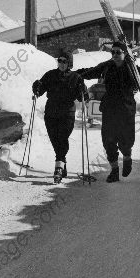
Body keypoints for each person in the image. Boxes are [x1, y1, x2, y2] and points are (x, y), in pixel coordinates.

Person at [76, 41, 140, 182]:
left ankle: (127, 157)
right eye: (113, 52)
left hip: (126, 109)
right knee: (108, 141)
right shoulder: (107, 66)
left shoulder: (132, 69)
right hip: (109, 109)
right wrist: (75, 75)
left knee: (126, 141)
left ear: (125, 53)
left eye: (118, 52)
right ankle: (114, 170)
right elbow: (90, 71)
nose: (115, 55)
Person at [32, 50, 87, 184]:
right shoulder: (50, 75)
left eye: (65, 61)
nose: (61, 64)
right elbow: (41, 89)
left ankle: (58, 168)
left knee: (62, 137)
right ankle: (62, 163)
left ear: (70, 63)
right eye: (60, 61)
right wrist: (36, 87)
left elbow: (83, 97)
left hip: (67, 113)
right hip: (51, 113)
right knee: (54, 138)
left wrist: (83, 91)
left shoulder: (76, 77)